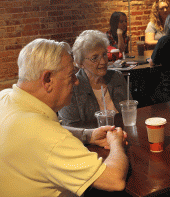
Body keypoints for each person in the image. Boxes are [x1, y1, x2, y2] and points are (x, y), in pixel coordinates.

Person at [0, 38, 129, 196]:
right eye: (71, 76)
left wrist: (88, 135)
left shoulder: (5, 97)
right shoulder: (46, 136)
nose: (76, 82)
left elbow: (52, 131)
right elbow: (114, 180)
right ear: (47, 79)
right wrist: (116, 143)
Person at [59, 30, 132, 126]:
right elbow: (69, 127)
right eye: (95, 58)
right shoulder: (72, 88)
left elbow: (130, 109)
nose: (103, 61)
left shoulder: (116, 77)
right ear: (80, 63)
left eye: (104, 55)